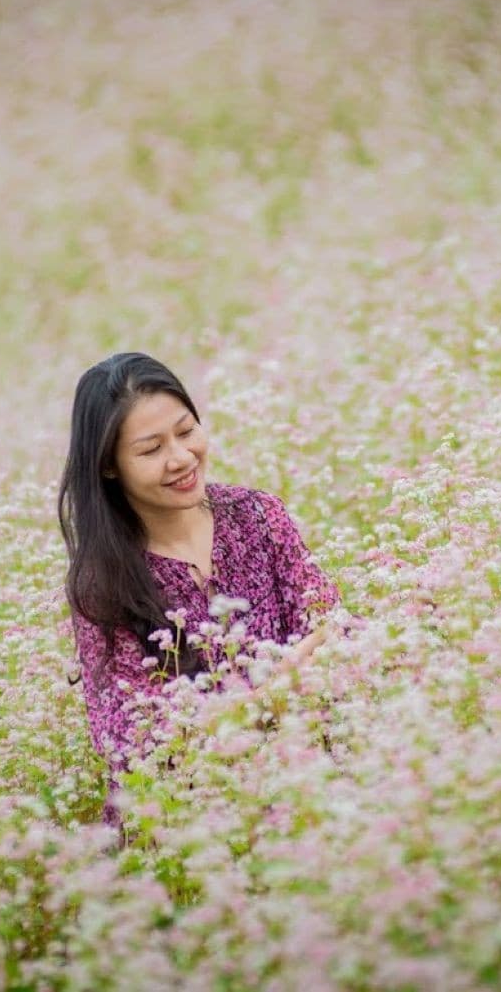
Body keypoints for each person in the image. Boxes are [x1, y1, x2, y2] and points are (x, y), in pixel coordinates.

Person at [57, 352, 357, 839]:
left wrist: (239, 711)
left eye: (186, 430)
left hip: (307, 787)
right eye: (151, 449)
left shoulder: (257, 516)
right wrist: (283, 684)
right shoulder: (104, 585)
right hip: (190, 829)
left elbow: (334, 627)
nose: (180, 458)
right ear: (109, 468)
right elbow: (134, 744)